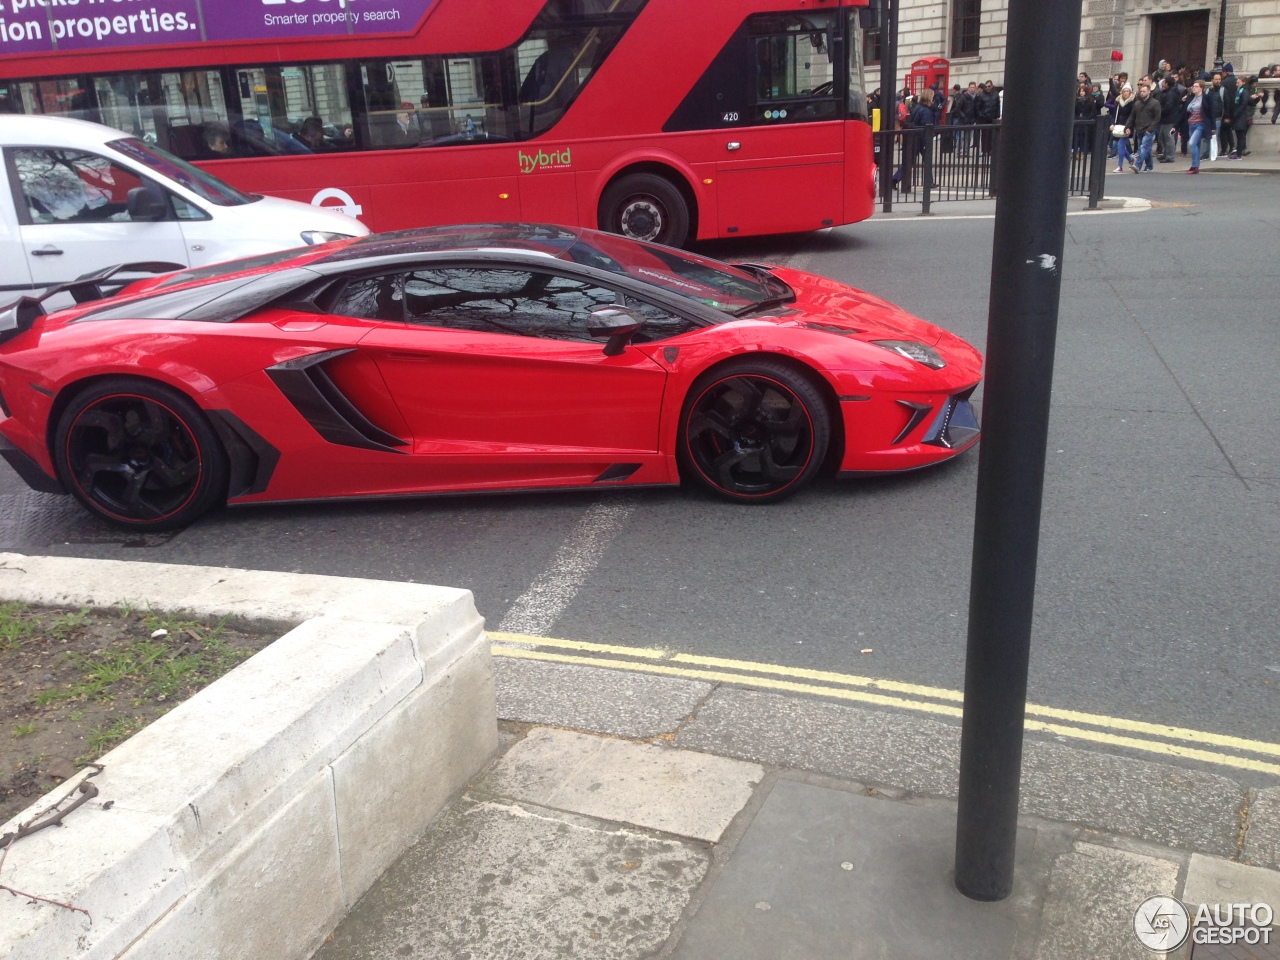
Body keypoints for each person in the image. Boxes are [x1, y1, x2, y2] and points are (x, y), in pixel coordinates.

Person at [1128, 80, 1161, 172]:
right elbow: (1132, 116)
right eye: (1141, 91)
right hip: (1139, 129)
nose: (1142, 93)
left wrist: (1150, 129)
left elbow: (1157, 117)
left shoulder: (1155, 103)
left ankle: (1137, 166)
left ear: (1149, 91)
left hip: (1149, 130)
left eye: (1144, 91)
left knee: (1143, 148)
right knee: (1146, 149)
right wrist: (1127, 126)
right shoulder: (1137, 103)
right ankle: (1149, 166)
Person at [1184, 79, 1211, 173]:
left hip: (1200, 124)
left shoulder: (1206, 98)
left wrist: (1213, 128)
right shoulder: (1191, 98)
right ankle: (1196, 166)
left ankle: (1194, 166)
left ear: (1201, 88)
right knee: (1196, 145)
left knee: (1191, 143)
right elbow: (1185, 112)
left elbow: (1211, 113)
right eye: (1193, 86)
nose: (1193, 88)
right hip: (1191, 124)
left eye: (1196, 86)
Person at [1156, 76, 1183, 162]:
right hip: (1165, 119)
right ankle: (1165, 153)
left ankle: (1170, 156)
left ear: (1167, 83)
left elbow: (1169, 106)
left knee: (1169, 137)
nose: (1163, 84)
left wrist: (1161, 111)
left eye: (1164, 82)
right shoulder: (1167, 92)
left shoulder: (1171, 93)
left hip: (1170, 119)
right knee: (1163, 137)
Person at [1110, 83, 1135, 173]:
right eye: (1124, 91)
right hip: (1119, 126)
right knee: (1120, 146)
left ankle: (1120, 166)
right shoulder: (1118, 101)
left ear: (1130, 92)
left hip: (1128, 126)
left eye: (1127, 91)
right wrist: (1113, 124)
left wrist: (1130, 127)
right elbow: (1115, 114)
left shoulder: (1133, 102)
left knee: (1120, 144)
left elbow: (1132, 116)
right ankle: (1131, 159)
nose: (1126, 93)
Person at [974, 79, 1000, 154]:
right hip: (984, 118)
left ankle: (991, 150)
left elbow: (998, 105)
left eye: (989, 86)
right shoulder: (981, 95)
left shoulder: (995, 94)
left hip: (993, 118)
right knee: (985, 135)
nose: (987, 88)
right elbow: (977, 107)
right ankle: (985, 150)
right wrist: (981, 115)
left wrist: (997, 114)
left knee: (992, 135)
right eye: (986, 86)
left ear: (992, 86)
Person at [1075, 81, 1100, 154]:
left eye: (1083, 91)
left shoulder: (1090, 100)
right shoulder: (1076, 100)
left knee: (1084, 137)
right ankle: (1075, 151)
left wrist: (1088, 118)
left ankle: (1083, 151)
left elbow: (1092, 111)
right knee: (1077, 136)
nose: (1081, 92)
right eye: (1080, 91)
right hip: (1078, 119)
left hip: (1086, 120)